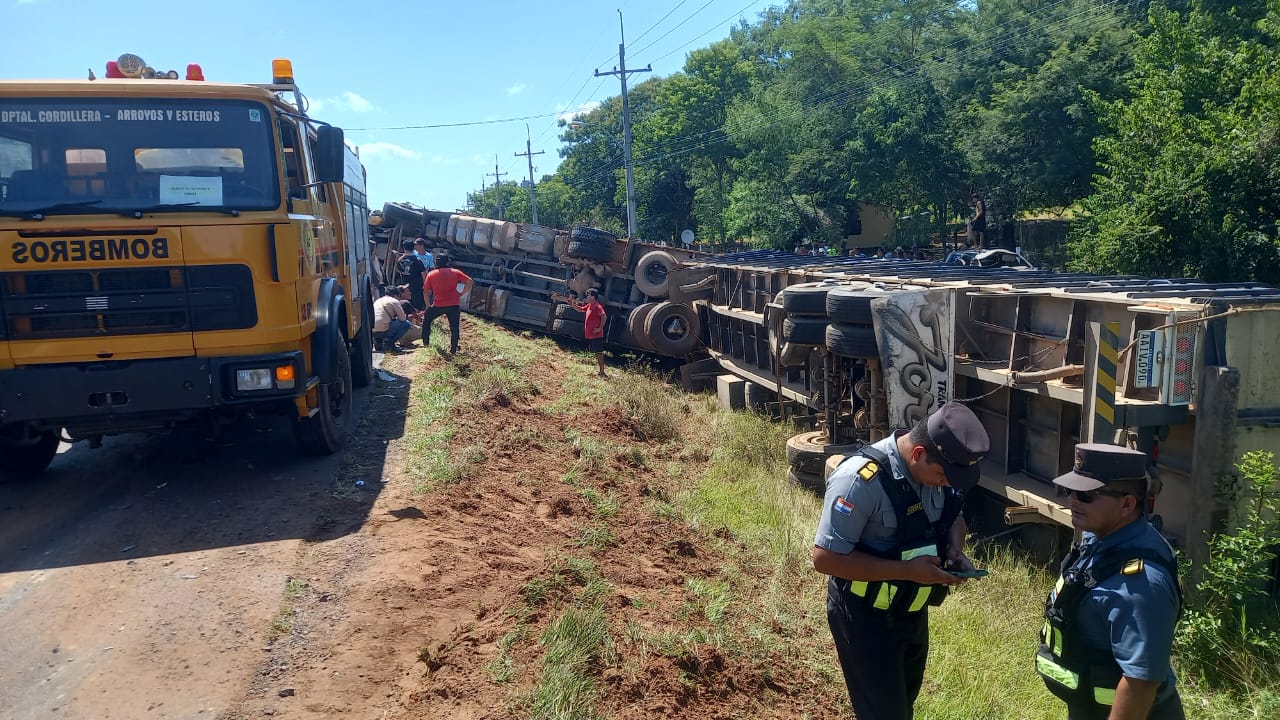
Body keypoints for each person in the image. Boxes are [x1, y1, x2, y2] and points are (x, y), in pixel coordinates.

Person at [813, 401, 991, 720]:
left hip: (911, 613)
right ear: (918, 453)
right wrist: (906, 571)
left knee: (901, 708)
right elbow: (826, 558)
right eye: (943, 476)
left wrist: (955, 550)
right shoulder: (859, 480)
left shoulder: (939, 474)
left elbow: (953, 517)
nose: (948, 484)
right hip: (865, 619)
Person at [1038, 444, 1184, 720]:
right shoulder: (1101, 540)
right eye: (1071, 490)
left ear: (1127, 504)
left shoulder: (1141, 585)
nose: (1073, 501)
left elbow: (1140, 683)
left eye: (1086, 495)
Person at [422, 255, 473, 356]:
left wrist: (428, 305)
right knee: (454, 327)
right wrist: (461, 293)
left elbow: (426, 291)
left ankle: (426, 344)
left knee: (427, 320)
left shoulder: (431, 274)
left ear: (436, 263)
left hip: (439, 304)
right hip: (454, 304)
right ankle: (453, 349)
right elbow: (470, 282)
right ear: (447, 262)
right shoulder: (455, 272)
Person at [556, 288, 608, 377]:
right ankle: (600, 370)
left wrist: (599, 328)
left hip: (596, 334)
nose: (587, 297)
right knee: (596, 352)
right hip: (590, 334)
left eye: (588, 295)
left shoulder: (597, 306)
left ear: (593, 297)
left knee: (599, 352)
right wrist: (573, 304)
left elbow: (604, 316)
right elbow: (580, 309)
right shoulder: (589, 305)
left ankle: (602, 372)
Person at [372, 284, 422, 352]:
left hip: (373, 331)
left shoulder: (377, 301)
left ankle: (379, 342)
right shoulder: (394, 301)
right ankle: (390, 343)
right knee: (406, 324)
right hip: (384, 330)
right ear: (396, 295)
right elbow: (403, 319)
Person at [396, 239, 429, 311]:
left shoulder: (399, 260)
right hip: (417, 287)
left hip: (405, 287)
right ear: (413, 247)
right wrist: (426, 287)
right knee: (417, 307)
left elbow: (400, 272)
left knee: (405, 306)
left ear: (404, 248)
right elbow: (424, 274)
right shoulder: (417, 260)